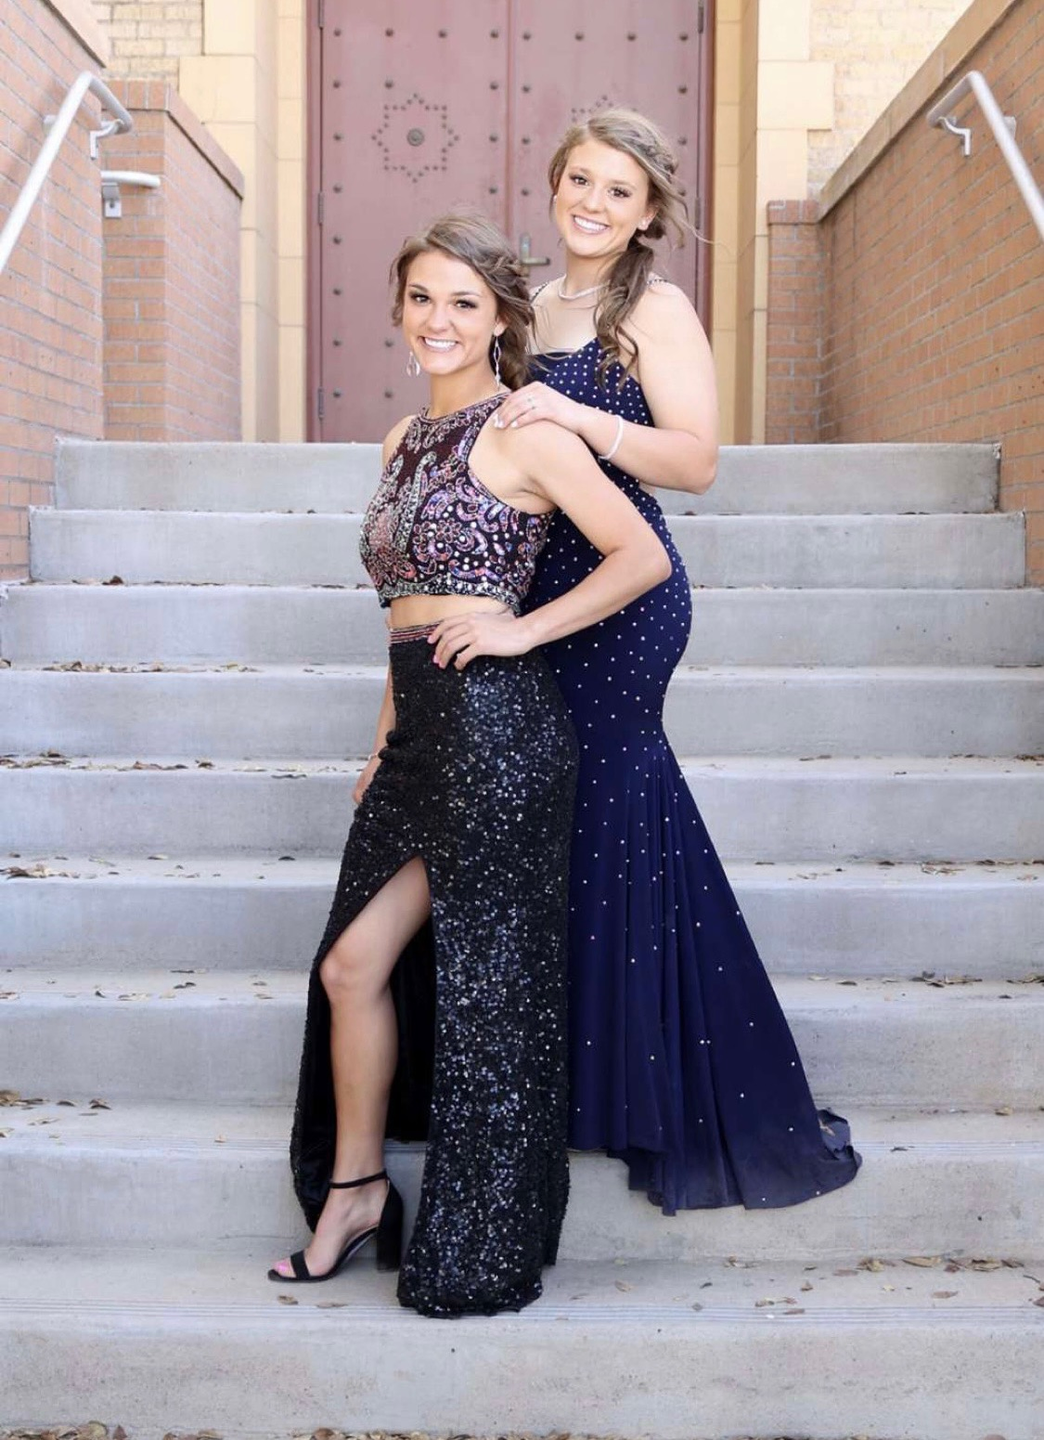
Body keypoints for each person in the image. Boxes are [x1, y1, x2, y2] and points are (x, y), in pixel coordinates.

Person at [269, 211, 671, 1317]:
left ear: (499, 318)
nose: (437, 319)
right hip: (420, 735)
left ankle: (482, 1241)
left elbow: (639, 554)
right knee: (350, 967)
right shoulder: (401, 438)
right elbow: (399, 611)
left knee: (490, 994)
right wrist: (384, 736)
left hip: (500, 733)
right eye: (421, 298)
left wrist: (521, 630)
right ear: (400, 311)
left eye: (463, 301)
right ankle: (356, 1193)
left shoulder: (525, 428)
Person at [494, 108, 861, 1215]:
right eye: (580, 181)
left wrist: (578, 416)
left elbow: (697, 461)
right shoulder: (526, 306)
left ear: (648, 211)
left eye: (619, 190)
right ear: (554, 185)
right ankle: (574, 1079)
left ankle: (657, 1087)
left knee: (614, 814)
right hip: (531, 589)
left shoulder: (654, 308)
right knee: (550, 825)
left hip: (625, 600)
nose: (593, 203)